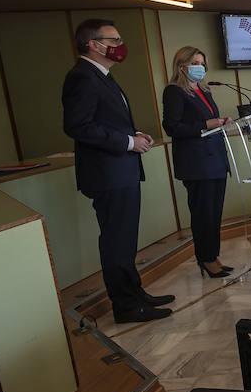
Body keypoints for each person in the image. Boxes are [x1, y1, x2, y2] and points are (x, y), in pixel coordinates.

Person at [62, 19, 174, 323]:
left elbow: (105, 121)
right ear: (93, 44)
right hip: (107, 174)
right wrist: (127, 142)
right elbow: (78, 126)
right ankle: (126, 306)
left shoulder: (103, 76)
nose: (119, 45)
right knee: (116, 241)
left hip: (120, 170)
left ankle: (136, 294)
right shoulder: (82, 77)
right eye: (113, 39)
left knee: (125, 241)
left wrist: (134, 135)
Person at [161, 46, 233, 279]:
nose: (200, 68)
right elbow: (172, 127)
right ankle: (205, 258)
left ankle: (213, 256)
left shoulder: (204, 89)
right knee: (203, 213)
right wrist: (206, 124)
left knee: (215, 213)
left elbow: (209, 120)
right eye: (195, 63)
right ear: (181, 66)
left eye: (202, 63)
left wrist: (221, 122)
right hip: (197, 163)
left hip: (216, 160)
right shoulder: (174, 91)